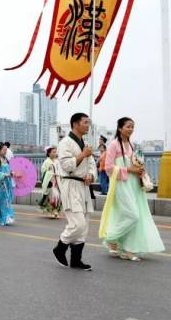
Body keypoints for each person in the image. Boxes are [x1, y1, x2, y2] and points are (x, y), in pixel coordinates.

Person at [99, 117, 165, 261]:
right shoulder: (114, 145)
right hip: (121, 185)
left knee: (136, 215)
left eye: (132, 127)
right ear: (120, 128)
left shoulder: (132, 145)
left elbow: (136, 163)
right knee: (132, 215)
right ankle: (111, 238)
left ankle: (129, 249)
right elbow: (108, 168)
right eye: (128, 126)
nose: (131, 129)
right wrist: (129, 169)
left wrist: (140, 170)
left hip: (134, 184)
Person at [52, 113, 96, 271]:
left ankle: (76, 259)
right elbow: (66, 166)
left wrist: (91, 175)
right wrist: (83, 154)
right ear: (75, 124)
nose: (87, 125)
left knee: (84, 226)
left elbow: (92, 163)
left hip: (83, 186)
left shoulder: (85, 142)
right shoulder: (65, 143)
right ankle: (60, 247)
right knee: (77, 224)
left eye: (88, 122)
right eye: (85, 122)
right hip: (70, 185)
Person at [39, 147, 61, 218]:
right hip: (50, 182)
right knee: (52, 196)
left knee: (57, 196)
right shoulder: (46, 162)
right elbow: (43, 171)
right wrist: (50, 173)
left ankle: (55, 210)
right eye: (53, 152)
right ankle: (51, 211)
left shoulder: (57, 161)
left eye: (55, 152)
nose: (55, 153)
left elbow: (59, 170)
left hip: (56, 181)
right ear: (49, 153)